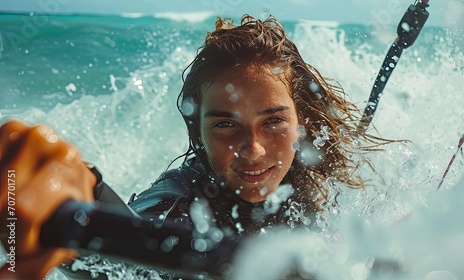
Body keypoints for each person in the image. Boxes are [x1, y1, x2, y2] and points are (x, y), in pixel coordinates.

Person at [0, 15, 384, 279]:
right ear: (198, 132)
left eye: (273, 121)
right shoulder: (176, 208)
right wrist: (76, 198)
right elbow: (131, 257)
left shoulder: (309, 168)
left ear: (302, 122)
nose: (252, 149)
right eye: (225, 125)